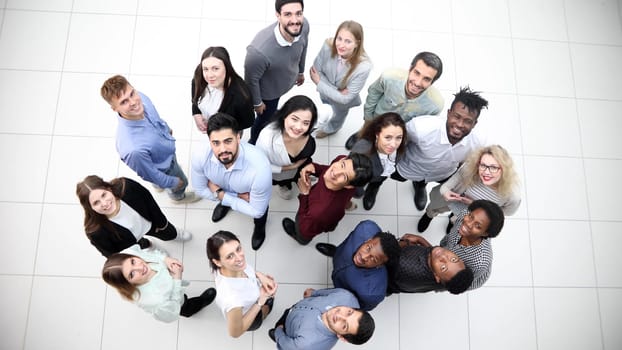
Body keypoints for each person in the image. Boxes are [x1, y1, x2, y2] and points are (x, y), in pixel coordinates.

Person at [100, 75, 199, 204]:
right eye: (124, 102)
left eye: (132, 93)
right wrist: (173, 182)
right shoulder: (132, 149)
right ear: (114, 108)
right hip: (165, 167)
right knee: (180, 182)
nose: (133, 102)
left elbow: (155, 117)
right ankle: (178, 197)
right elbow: (149, 174)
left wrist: (166, 129)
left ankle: (159, 186)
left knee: (158, 178)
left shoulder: (141, 98)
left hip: (163, 154)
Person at [393, 86, 489, 211]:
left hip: (441, 174)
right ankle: (374, 187)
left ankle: (420, 186)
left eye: (467, 121)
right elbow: (398, 142)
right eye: (457, 116)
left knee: (424, 182)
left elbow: (466, 163)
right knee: (390, 177)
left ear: (474, 123)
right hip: (408, 168)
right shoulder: (420, 127)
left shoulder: (477, 144)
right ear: (449, 113)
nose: (460, 124)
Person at [191, 113, 272, 250]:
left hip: (226, 191)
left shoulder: (260, 169)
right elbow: (199, 189)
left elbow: (257, 211)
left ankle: (259, 228)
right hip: (231, 192)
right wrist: (226, 196)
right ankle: (224, 204)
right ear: (209, 141)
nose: (222, 150)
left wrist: (219, 192)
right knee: (224, 198)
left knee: (260, 217)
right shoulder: (200, 155)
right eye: (216, 143)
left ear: (238, 137)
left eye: (228, 141)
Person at [345, 51, 444, 150]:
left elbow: (423, 127)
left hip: (397, 134)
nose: (418, 83)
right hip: (376, 120)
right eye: (416, 73)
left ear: (432, 82)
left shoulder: (435, 105)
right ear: (410, 69)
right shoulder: (389, 78)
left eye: (426, 79)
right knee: (366, 134)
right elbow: (373, 94)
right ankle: (362, 135)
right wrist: (368, 120)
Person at [76, 175, 192, 257]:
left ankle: (174, 234)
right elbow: (110, 253)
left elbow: (148, 200)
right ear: (89, 207)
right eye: (96, 203)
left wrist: (161, 223)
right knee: (145, 247)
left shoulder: (126, 187)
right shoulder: (95, 231)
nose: (104, 203)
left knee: (168, 233)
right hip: (131, 242)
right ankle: (152, 248)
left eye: (104, 195)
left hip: (150, 223)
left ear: (108, 188)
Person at [244, 0, 310, 144]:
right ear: (278, 16)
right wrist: (257, 103)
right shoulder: (258, 52)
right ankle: (254, 142)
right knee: (264, 120)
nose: (295, 20)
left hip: (285, 81)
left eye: (298, 13)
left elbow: (303, 48)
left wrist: (300, 71)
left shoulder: (303, 26)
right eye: (288, 14)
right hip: (268, 95)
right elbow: (250, 81)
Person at [417, 145, 521, 233]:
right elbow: (448, 185)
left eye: (494, 167)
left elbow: (500, 214)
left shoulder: (512, 196)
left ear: (504, 169)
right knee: (435, 207)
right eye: (483, 165)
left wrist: (474, 205)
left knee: (458, 220)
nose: (486, 172)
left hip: (473, 214)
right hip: (453, 200)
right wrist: (445, 192)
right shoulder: (471, 168)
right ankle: (429, 215)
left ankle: (452, 220)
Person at [102, 244, 216, 323]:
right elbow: (172, 310)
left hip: (171, 282)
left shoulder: (128, 254)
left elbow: (147, 253)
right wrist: (177, 279)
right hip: (176, 302)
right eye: (131, 274)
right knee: (184, 305)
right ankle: (196, 306)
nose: (140, 267)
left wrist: (166, 259)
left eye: (133, 261)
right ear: (127, 284)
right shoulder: (154, 300)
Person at [281, 153, 373, 245]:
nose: (335, 172)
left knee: (303, 233)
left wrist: (304, 194)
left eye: (344, 176)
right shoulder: (341, 160)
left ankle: (301, 240)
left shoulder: (321, 211)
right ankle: (347, 206)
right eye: (342, 165)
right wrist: (315, 168)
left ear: (349, 186)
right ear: (343, 159)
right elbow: (327, 169)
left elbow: (304, 226)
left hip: (315, 219)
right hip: (335, 209)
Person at [315, 220, 400, 311]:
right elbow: (348, 240)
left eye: (373, 259)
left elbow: (359, 308)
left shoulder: (372, 292)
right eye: (368, 248)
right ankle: (335, 252)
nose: (363, 257)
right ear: (368, 239)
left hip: (343, 288)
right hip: (341, 255)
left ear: (380, 265)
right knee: (340, 252)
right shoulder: (366, 228)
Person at [207, 230, 278, 338]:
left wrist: (260, 276)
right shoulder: (232, 299)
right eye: (230, 256)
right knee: (262, 314)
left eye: (238, 249)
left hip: (253, 297)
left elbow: (245, 270)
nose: (239, 258)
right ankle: (265, 311)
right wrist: (261, 302)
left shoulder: (227, 267)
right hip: (249, 314)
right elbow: (235, 333)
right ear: (217, 262)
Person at [309, 20, 372, 138]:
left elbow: (345, 99)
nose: (341, 45)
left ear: (357, 43)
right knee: (326, 106)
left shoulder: (364, 67)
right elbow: (315, 71)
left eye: (348, 41)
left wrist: (320, 82)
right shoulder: (328, 45)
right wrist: (337, 91)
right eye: (339, 38)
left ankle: (331, 129)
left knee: (338, 116)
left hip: (341, 103)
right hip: (324, 94)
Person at [268, 288, 375, 349]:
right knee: (287, 312)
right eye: (349, 312)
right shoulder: (347, 297)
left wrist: (279, 333)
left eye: (344, 325)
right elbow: (325, 293)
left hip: (287, 330)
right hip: (294, 310)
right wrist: (313, 293)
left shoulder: (306, 345)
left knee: (279, 331)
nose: (339, 315)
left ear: (342, 337)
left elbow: (288, 345)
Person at [256, 95, 318, 200]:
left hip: (303, 164)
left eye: (305, 123)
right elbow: (261, 165)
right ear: (285, 115)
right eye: (294, 119)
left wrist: (301, 164)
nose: (298, 127)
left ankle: (300, 176)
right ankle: (284, 185)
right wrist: (290, 167)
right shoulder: (267, 138)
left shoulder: (310, 130)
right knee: (284, 179)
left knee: (301, 174)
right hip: (282, 171)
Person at [440, 199, 504, 290]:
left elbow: (462, 281)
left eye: (477, 226)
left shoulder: (478, 262)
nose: (468, 224)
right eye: (471, 216)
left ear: (485, 233)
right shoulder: (464, 215)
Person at [191, 46, 255, 133]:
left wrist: (222, 129)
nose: (209, 75)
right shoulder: (200, 76)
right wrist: (196, 113)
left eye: (216, 69)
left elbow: (248, 122)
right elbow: (195, 90)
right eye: (205, 69)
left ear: (227, 67)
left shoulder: (241, 96)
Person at [350, 112, 406, 210]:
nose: (393, 144)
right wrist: (358, 192)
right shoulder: (361, 150)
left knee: (379, 180)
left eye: (398, 138)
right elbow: (354, 176)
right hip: (364, 177)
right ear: (377, 134)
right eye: (387, 137)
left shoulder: (400, 148)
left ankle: (373, 188)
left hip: (380, 176)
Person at [386, 236, 473, 295]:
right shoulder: (443, 277)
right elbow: (434, 251)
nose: (443, 257)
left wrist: (405, 242)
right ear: (460, 258)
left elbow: (386, 252)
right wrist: (420, 239)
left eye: (443, 268)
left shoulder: (404, 265)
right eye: (453, 259)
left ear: (437, 277)